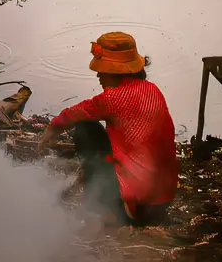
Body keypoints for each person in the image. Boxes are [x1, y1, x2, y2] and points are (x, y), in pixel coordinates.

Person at [39, 31, 178, 225]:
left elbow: (74, 113)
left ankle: (108, 209)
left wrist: (51, 130)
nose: (98, 75)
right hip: (164, 198)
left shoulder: (111, 100)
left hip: (137, 206)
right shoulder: (153, 89)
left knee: (85, 127)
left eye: (102, 71)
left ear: (116, 72)